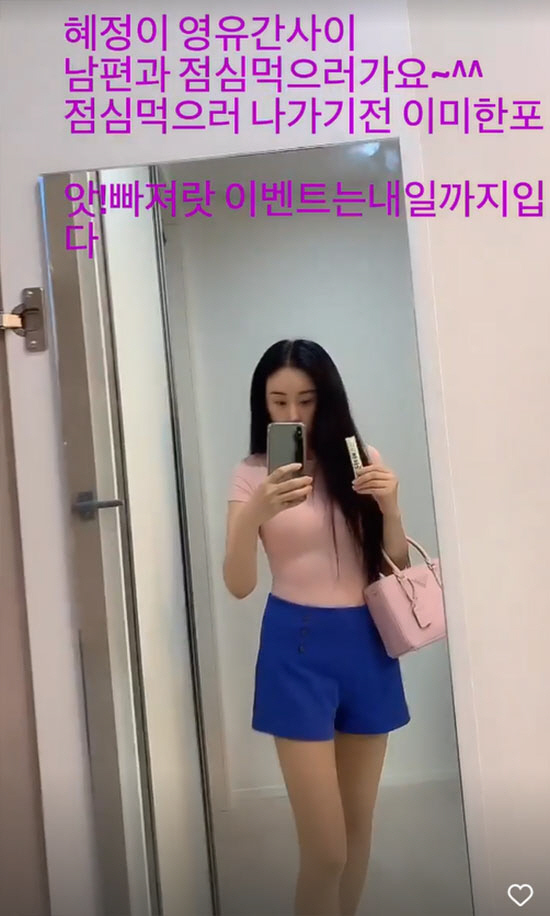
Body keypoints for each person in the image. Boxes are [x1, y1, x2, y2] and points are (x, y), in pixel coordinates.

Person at [223, 339, 411, 916]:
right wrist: (254, 515)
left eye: (305, 400)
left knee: (356, 833)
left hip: (369, 645)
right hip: (295, 649)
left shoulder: (360, 460)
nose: (293, 413)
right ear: (262, 403)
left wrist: (392, 506)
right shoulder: (252, 474)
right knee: (326, 851)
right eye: (278, 401)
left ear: (327, 399)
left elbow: (395, 568)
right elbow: (238, 584)